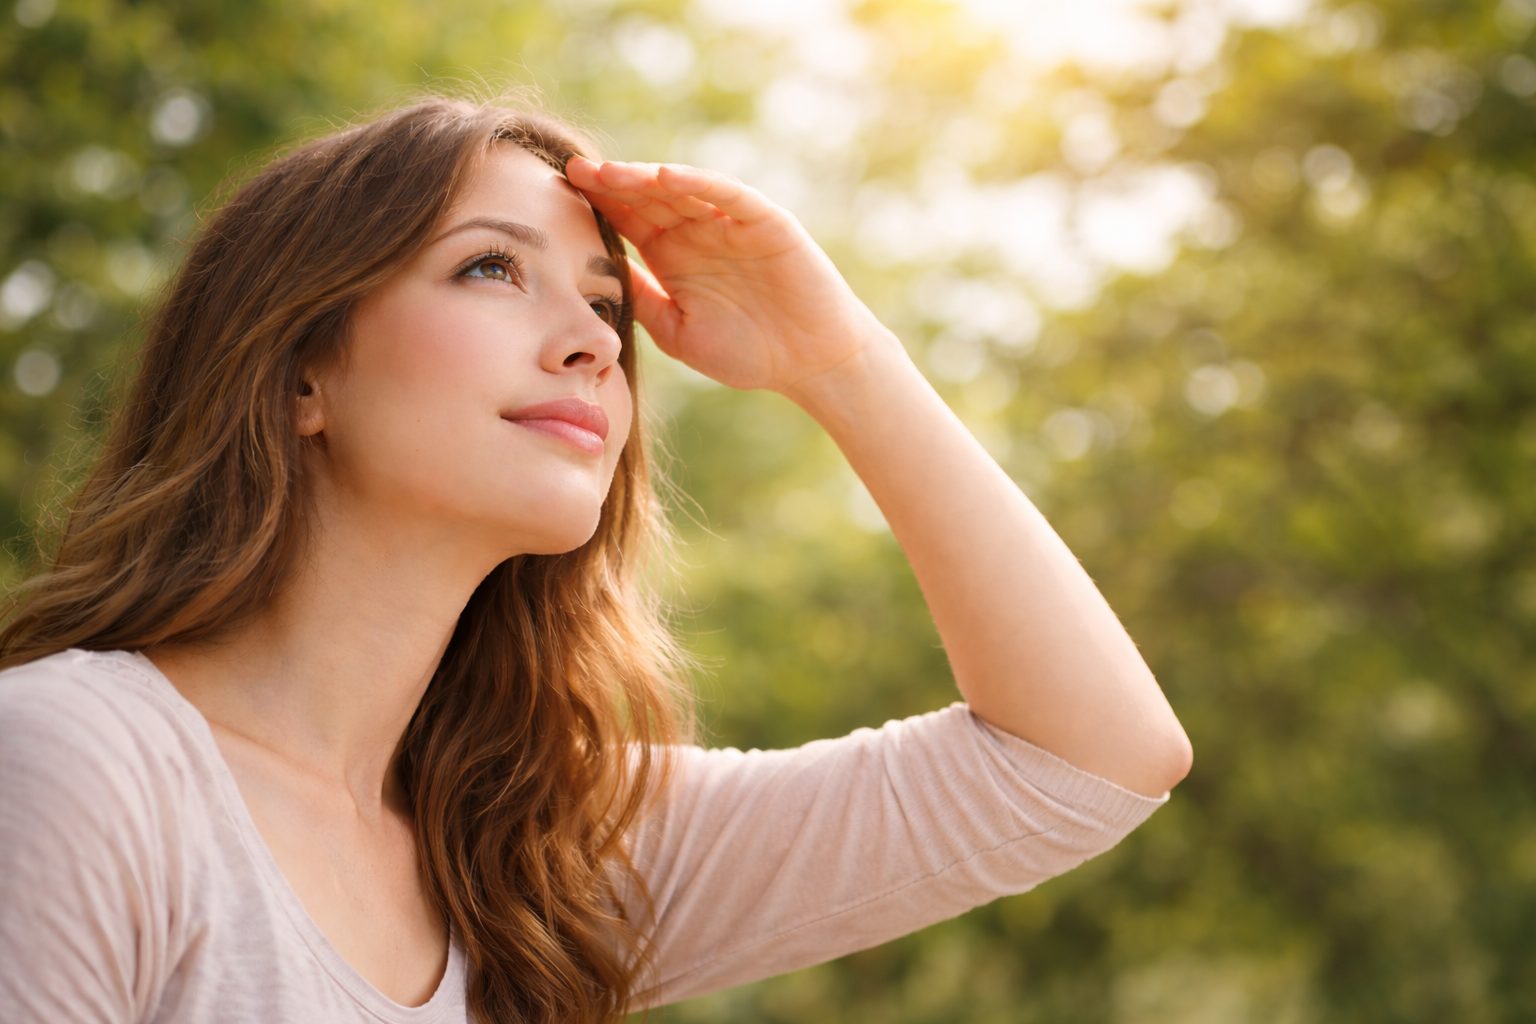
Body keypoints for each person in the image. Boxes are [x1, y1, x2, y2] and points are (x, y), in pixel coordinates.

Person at [0, 96, 1191, 1024]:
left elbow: (1089, 759)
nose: (587, 342)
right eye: (490, 267)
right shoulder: (83, 762)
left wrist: (839, 360)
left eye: (608, 307)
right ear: (303, 368)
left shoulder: (536, 845)